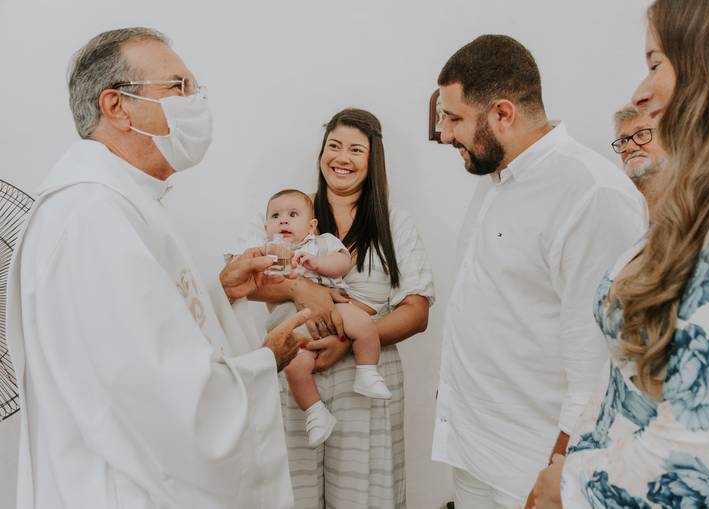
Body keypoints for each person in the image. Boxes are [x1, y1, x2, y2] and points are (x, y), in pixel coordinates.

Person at [5, 27, 311, 509]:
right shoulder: (91, 216)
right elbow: (158, 397)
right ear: (116, 106)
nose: (196, 102)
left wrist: (220, 293)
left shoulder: (120, 203)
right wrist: (265, 359)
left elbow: (142, 336)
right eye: (179, 88)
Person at [532, 0, 709, 507]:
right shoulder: (704, 208)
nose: (641, 92)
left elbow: (700, 455)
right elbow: (619, 375)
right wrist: (570, 457)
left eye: (656, 63)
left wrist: (569, 488)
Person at [430, 35, 647, 508]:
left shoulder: (592, 195)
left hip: (531, 471)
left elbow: (597, 362)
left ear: (502, 114)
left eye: (454, 118)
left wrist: (556, 476)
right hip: (472, 450)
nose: (444, 134)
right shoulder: (494, 178)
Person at [233, 108, 435, 508]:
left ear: (372, 159)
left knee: (365, 497)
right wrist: (300, 288)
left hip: (367, 373)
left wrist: (350, 338)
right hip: (296, 364)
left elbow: (417, 310)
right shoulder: (288, 211)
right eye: (334, 146)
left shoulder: (392, 221)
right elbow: (239, 280)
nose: (342, 158)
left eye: (356, 150)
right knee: (292, 495)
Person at [260, 189, 391, 448]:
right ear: (266, 227)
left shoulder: (323, 243)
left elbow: (343, 263)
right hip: (294, 320)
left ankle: (367, 371)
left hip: (334, 306)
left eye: (292, 215)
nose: (283, 221)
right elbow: (257, 286)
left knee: (363, 324)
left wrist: (318, 264)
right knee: (295, 366)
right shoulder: (269, 251)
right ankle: (315, 413)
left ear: (311, 225)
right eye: (276, 216)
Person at [611, 104, 666, 205]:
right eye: (623, 141)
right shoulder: (614, 203)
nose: (629, 147)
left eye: (642, 134)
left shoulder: (697, 198)